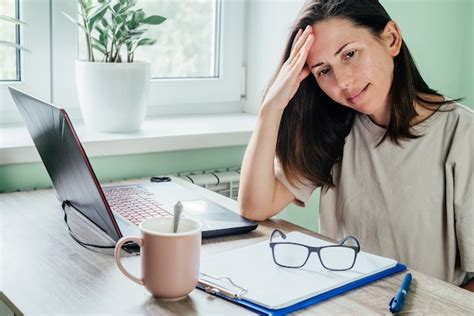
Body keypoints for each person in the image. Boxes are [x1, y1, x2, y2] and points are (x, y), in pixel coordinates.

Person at [238, 0, 473, 291]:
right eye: (323, 70)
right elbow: (254, 206)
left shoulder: (463, 134)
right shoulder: (335, 128)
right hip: (341, 302)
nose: (343, 82)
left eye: (349, 54)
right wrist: (271, 107)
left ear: (391, 39)